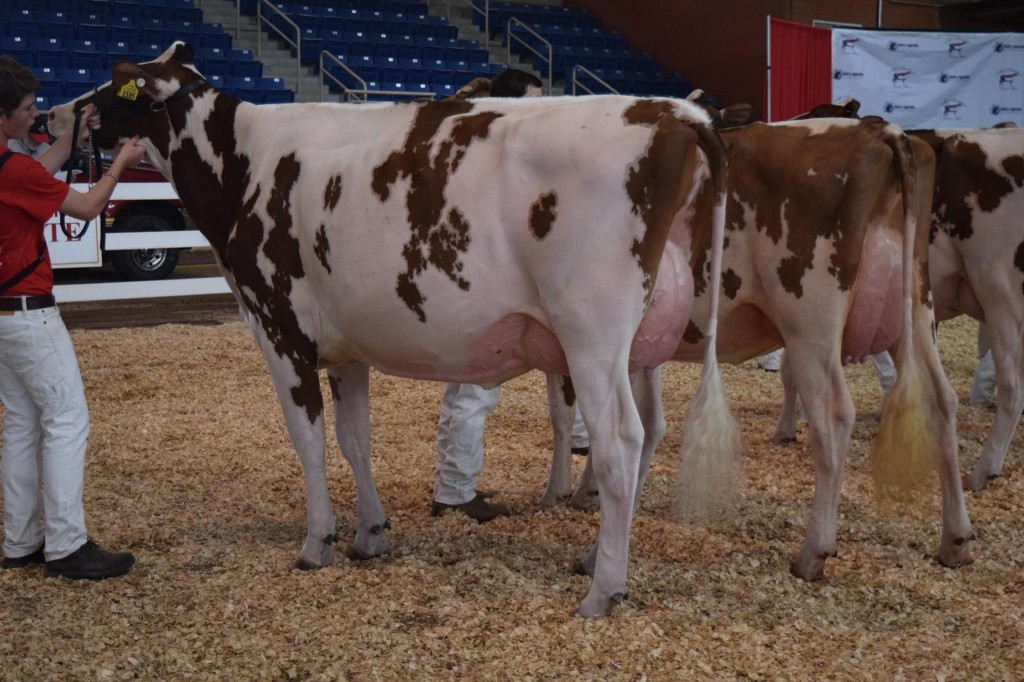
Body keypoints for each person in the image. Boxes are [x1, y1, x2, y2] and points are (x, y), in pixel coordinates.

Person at [0, 56, 147, 579]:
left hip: (2, 319)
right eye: (25, 108)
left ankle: (21, 541)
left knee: (21, 424)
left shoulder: (8, 166)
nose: (34, 113)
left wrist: (74, 138)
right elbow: (85, 208)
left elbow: (33, 176)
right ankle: (66, 545)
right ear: (4, 117)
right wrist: (118, 165)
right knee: (66, 420)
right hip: (28, 313)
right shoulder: (11, 167)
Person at [432, 67, 573, 522]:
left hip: (474, 276)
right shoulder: (491, 150)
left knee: (466, 390)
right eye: (534, 98)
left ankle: (453, 486)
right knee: (473, 389)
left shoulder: (479, 143)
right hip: (480, 281)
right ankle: (453, 494)